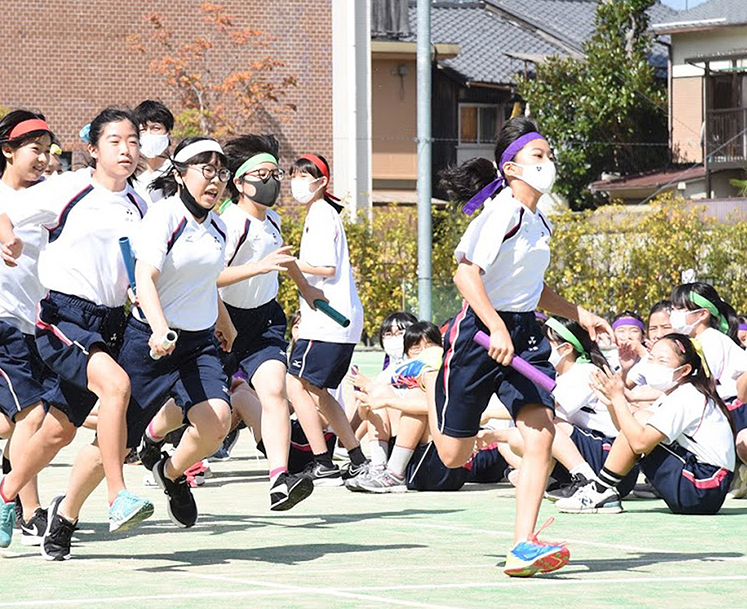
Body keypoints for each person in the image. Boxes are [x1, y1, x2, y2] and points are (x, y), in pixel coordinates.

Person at [431, 116, 613, 577]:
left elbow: (533, 289)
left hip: (524, 335)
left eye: (549, 155)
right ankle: (429, 386)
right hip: (477, 332)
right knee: (453, 456)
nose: (547, 163)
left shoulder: (539, 222)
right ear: (510, 168)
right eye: (538, 155)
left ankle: (523, 544)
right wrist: (495, 328)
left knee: (543, 433)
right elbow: (465, 274)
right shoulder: (501, 213)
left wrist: (579, 314)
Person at [0, 108, 154, 557]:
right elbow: (6, 211)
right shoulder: (67, 189)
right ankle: (117, 496)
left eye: (132, 142)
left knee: (56, 433)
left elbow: (138, 265)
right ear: (93, 148)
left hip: (111, 322)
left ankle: (7, 494)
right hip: (62, 317)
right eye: (115, 142)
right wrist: (7, 237)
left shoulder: (140, 202)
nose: (126, 150)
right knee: (117, 386)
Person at [117, 136, 236, 533]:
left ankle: (170, 473)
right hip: (149, 339)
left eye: (222, 172)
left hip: (198, 342)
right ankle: (66, 515)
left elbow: (203, 282)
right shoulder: (164, 217)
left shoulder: (218, 225)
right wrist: (159, 328)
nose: (216, 181)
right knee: (113, 444)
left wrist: (224, 320)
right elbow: (145, 278)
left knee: (218, 422)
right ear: (181, 174)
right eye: (207, 170)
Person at [217, 133, 322, 510]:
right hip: (223, 323)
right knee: (197, 410)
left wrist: (307, 290)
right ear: (240, 182)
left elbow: (283, 258)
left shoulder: (273, 219)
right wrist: (256, 267)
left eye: (275, 173)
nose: (272, 181)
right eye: (262, 175)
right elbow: (211, 279)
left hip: (265, 321)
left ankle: (279, 478)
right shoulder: (230, 224)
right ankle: (153, 442)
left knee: (275, 391)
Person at [557, 334, 736, 515]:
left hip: (703, 486)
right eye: (651, 358)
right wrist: (612, 404)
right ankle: (601, 491)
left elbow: (639, 443)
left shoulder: (687, 395)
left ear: (684, 370)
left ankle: (600, 490)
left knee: (641, 419)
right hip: (703, 489)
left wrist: (618, 398)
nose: (653, 365)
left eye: (662, 361)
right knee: (639, 419)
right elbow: (626, 433)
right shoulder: (675, 393)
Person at [286, 154, 368, 486]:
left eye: (304, 176)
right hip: (338, 320)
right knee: (319, 391)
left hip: (327, 318)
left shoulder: (321, 214)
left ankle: (322, 461)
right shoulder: (323, 214)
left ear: (321, 183)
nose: (296, 182)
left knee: (296, 384)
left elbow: (325, 268)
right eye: (293, 175)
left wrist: (286, 262)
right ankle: (356, 457)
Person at [0, 110, 55, 547]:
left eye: (47, 150)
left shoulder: (50, 199)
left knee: (17, 421)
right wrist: (8, 235)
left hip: (33, 323)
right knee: (31, 415)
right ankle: (26, 507)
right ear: (8, 151)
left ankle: (18, 499)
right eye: (34, 150)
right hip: (2, 323)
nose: (43, 158)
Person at [132, 100, 174, 206]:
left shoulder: (179, 172)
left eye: (156, 128)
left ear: (168, 132)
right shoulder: (136, 183)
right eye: (143, 130)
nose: (149, 134)